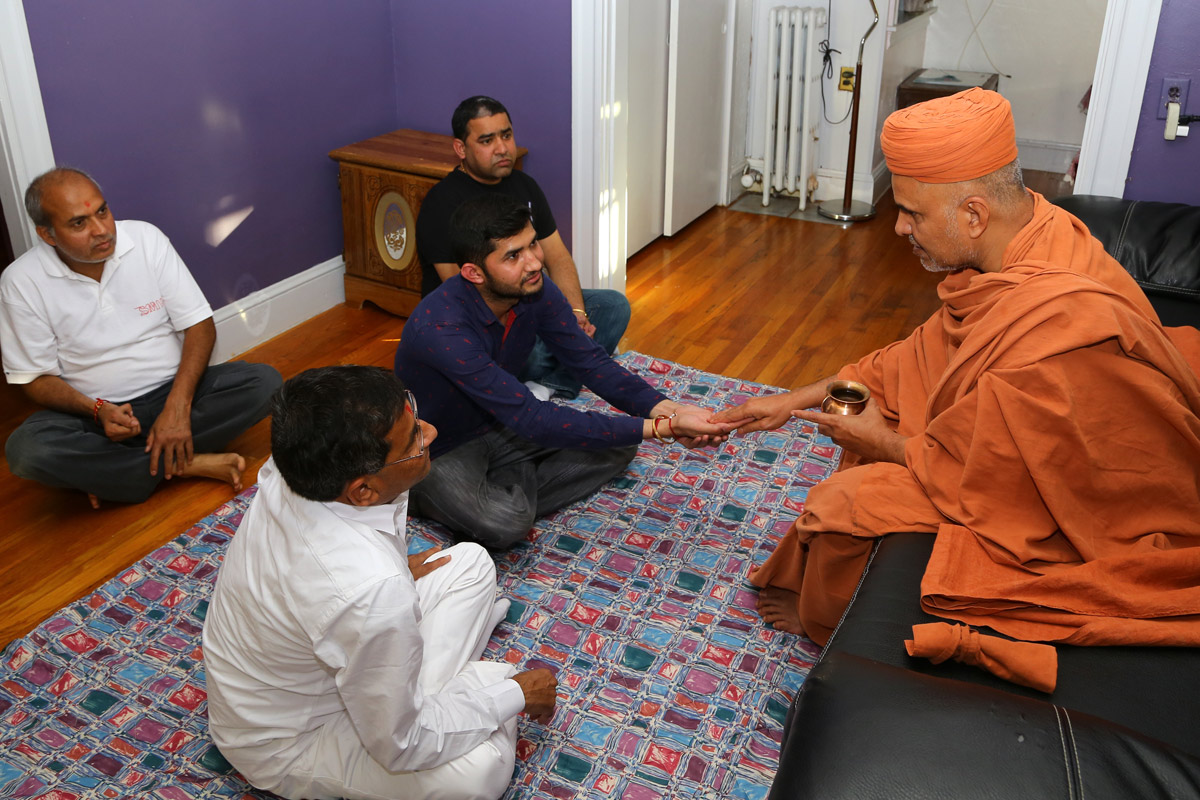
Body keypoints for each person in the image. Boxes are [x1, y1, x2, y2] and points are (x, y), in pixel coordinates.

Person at [714, 88, 1200, 656]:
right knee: (879, 401)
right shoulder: (1034, 231)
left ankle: (820, 624)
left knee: (841, 504)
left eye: (913, 213)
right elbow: (916, 357)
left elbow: (998, 483)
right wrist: (791, 400)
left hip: (1078, 495)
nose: (899, 228)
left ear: (974, 215)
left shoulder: (1056, 337)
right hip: (1000, 447)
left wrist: (881, 443)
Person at [203, 365, 558, 800]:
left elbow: (332, 578)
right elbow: (401, 746)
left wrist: (394, 574)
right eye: (413, 441)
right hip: (296, 738)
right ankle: (469, 689)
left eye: (414, 417)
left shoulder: (298, 461)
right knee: (479, 775)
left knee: (471, 563)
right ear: (363, 491)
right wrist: (513, 694)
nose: (430, 432)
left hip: (333, 642)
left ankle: (430, 697)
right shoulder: (369, 587)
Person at [396, 194, 731, 549]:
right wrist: (663, 430)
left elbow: (590, 361)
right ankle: (433, 493)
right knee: (506, 523)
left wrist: (669, 410)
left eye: (533, 244)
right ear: (474, 273)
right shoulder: (441, 328)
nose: (534, 262)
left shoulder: (533, 290)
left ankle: (506, 480)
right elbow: (532, 418)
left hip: (501, 423)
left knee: (620, 444)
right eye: (513, 255)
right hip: (441, 446)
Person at [0, 167, 281, 507]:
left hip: (176, 391)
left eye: (102, 211)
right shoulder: (21, 281)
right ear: (47, 234)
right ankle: (185, 464)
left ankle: (111, 473)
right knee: (26, 449)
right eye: (79, 223)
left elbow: (199, 326)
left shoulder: (145, 239)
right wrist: (98, 410)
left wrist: (177, 408)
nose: (101, 230)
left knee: (265, 383)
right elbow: (35, 379)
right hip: (98, 415)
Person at [417, 95, 631, 400]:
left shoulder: (525, 186)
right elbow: (459, 289)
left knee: (613, 306)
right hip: (482, 323)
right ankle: (565, 365)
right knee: (537, 349)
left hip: (530, 301)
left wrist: (575, 313)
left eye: (506, 135)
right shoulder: (441, 203)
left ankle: (547, 382)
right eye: (487, 140)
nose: (502, 148)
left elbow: (557, 256)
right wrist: (541, 325)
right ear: (461, 149)